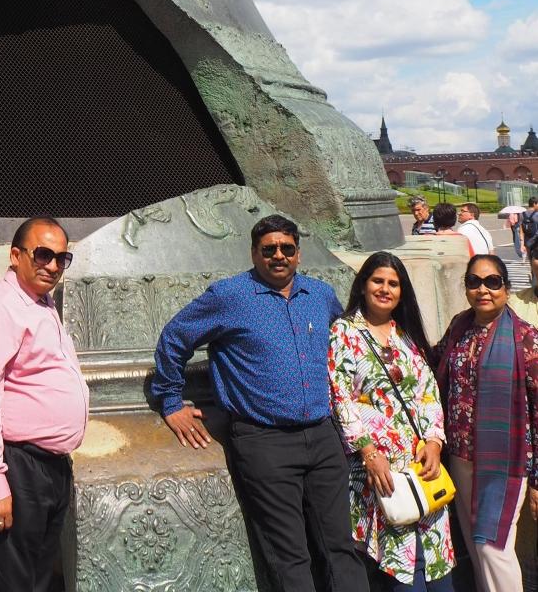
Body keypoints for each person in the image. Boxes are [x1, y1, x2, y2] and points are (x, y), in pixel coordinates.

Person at [152, 213, 369, 592]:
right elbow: (174, 338)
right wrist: (171, 400)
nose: (278, 256)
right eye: (269, 249)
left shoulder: (320, 295)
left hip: (322, 436)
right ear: (254, 253)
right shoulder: (229, 297)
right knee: (290, 556)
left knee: (340, 547)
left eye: (287, 248)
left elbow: (348, 349)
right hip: (264, 442)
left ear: (298, 254)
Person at [0, 216, 89, 592]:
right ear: (16, 256)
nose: (53, 265)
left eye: (61, 258)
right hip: (15, 467)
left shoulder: (39, 303)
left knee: (36, 581)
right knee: (7, 582)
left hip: (47, 468)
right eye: (43, 254)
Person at [329, 252, 454, 590]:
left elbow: (428, 392)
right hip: (381, 470)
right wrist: (368, 452)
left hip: (421, 466)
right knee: (401, 565)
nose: (385, 289)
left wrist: (434, 442)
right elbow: (340, 396)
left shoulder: (406, 333)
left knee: (437, 563)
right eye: (378, 281)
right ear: (363, 285)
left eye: (393, 284)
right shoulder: (345, 332)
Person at [436, 254, 538, 592]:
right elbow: (433, 362)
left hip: (504, 461)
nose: (483, 290)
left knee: (493, 546)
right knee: (473, 543)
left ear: (506, 289)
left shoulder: (526, 339)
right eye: (474, 282)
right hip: (461, 457)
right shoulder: (459, 327)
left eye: (493, 282)